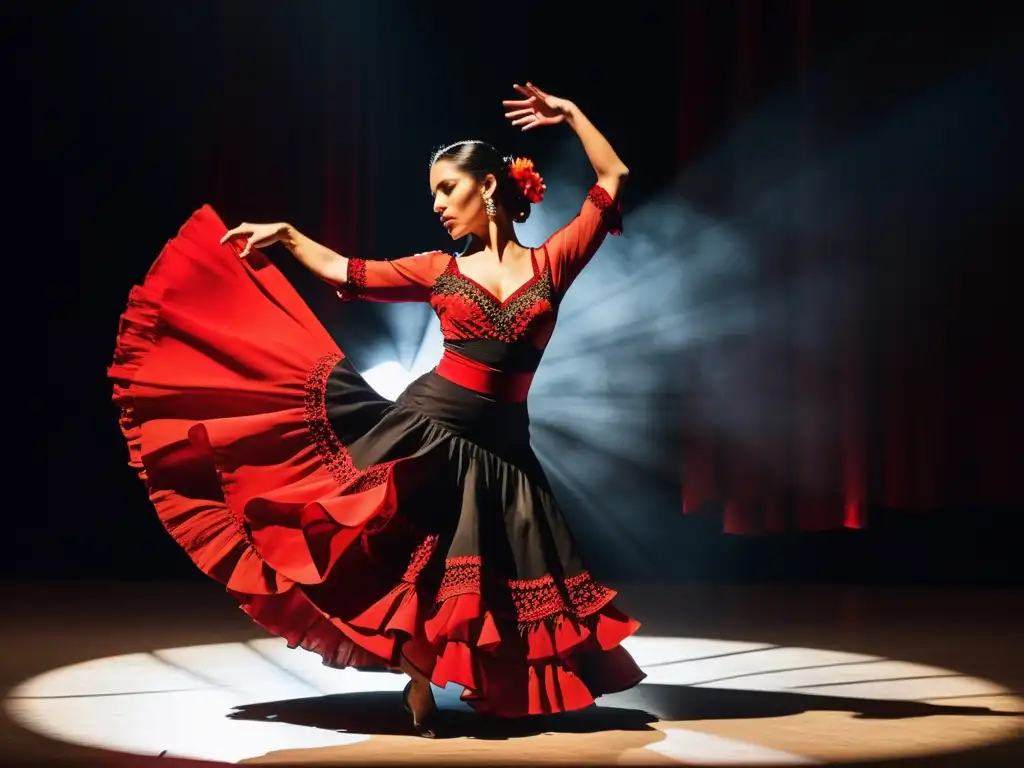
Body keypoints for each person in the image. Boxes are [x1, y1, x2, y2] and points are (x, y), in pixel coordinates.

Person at [108, 82, 643, 738]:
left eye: (448, 188)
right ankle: (417, 674)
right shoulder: (437, 271)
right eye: (434, 195)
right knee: (409, 552)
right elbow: (346, 273)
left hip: (505, 452)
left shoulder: (551, 265)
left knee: (486, 579)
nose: (440, 205)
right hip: (431, 431)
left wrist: (572, 115)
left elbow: (612, 177)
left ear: (491, 187)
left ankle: (464, 683)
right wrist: (289, 235)